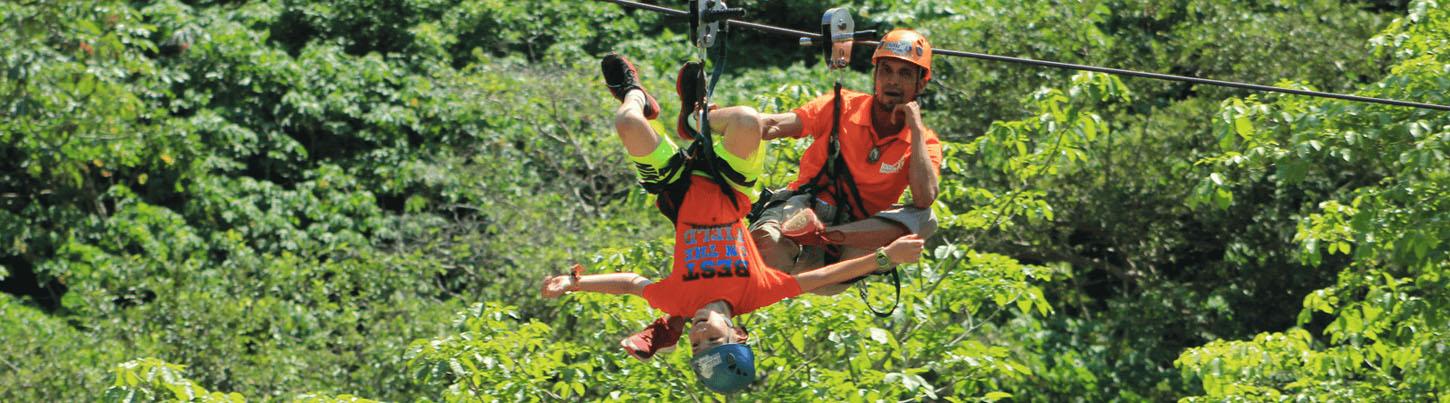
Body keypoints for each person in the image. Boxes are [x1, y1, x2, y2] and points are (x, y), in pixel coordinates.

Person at [537, 53, 925, 394]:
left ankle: (636, 94)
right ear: (737, 332)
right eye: (713, 340)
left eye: (695, 344)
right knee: (745, 120)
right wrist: (886, 257)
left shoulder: (678, 301)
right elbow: (823, 277)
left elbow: (630, 284)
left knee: (627, 122)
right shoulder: (756, 292)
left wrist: (573, 283)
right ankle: (697, 118)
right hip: (729, 187)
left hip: (676, 191)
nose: (700, 333)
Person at [752, 29, 943, 295]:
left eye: (905, 74)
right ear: (875, 76)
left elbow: (924, 198)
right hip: (801, 218)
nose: (893, 81)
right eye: (886, 71)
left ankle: (823, 234)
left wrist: (916, 130)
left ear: (920, 85)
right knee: (769, 241)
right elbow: (774, 125)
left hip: (846, 247)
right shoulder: (843, 106)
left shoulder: (924, 142)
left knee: (926, 218)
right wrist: (719, 120)